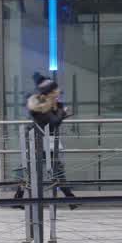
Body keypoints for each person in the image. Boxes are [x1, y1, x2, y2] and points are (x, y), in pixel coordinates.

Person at [13, 75, 77, 205]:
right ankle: (70, 199)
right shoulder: (42, 105)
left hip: (46, 141)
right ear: (51, 92)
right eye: (56, 89)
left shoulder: (53, 104)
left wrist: (61, 111)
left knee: (51, 169)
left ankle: (71, 199)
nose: (59, 91)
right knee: (33, 170)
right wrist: (63, 113)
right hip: (37, 141)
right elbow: (53, 122)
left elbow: (53, 122)